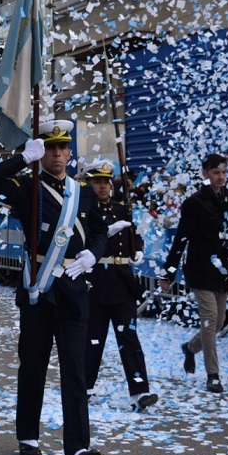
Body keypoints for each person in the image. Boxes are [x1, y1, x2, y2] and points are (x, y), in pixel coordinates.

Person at [0, 119, 107, 455]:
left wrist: (93, 254)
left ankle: (78, 450)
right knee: (33, 364)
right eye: (50, 148)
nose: (57, 154)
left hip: (74, 291)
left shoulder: (80, 192)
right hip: (39, 289)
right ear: (42, 152)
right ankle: (28, 434)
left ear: (70, 152)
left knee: (75, 372)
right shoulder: (27, 188)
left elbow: (98, 231)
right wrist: (21, 158)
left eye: (63, 148)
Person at [159, 153, 228, 393]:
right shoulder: (194, 202)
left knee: (219, 321)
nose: (221, 177)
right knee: (210, 319)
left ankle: (191, 348)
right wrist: (168, 272)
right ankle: (213, 374)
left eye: (224, 173)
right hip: (200, 268)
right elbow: (181, 238)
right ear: (205, 173)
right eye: (216, 172)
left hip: (222, 269)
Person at [83, 161, 158, 411]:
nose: (102, 187)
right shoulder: (83, 212)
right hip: (96, 282)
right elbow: (86, 243)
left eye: (105, 182)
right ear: (89, 184)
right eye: (97, 182)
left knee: (129, 337)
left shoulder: (122, 208)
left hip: (122, 281)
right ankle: (84, 386)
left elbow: (132, 234)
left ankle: (139, 391)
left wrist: (137, 247)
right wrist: (108, 232)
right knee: (94, 339)